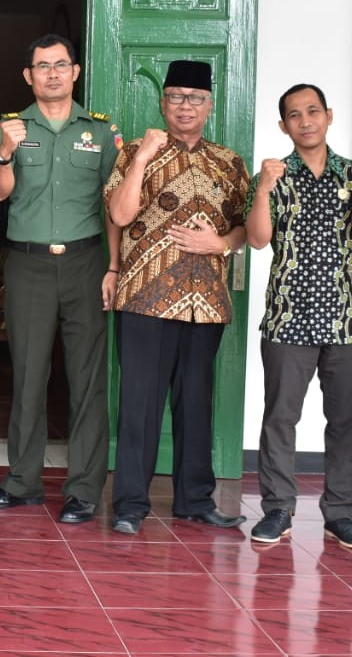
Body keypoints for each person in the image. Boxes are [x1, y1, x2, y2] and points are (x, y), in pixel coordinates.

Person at [104, 59, 250, 535]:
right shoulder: (134, 152)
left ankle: (194, 500)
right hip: (144, 298)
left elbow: (245, 227)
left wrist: (222, 244)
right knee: (139, 404)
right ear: (162, 102)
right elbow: (119, 215)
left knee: (196, 403)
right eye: (176, 97)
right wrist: (142, 159)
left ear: (210, 105)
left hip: (204, 301)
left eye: (195, 98)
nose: (186, 106)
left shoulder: (229, 162)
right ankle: (130, 503)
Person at [0, 33, 121, 524]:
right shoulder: (10, 128)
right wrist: (4, 152)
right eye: (43, 66)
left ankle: (83, 489)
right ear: (29, 76)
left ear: (75, 72)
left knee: (87, 378)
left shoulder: (101, 132)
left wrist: (114, 265)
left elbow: (114, 205)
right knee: (27, 374)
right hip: (28, 264)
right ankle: (22, 481)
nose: (53, 73)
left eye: (61, 64)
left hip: (86, 262)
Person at [245, 83, 352, 549]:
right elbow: (258, 239)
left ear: (328, 115)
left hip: (350, 321)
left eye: (312, 111)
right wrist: (263, 189)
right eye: (294, 114)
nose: (305, 121)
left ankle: (341, 514)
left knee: (346, 421)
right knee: (279, 418)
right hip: (288, 317)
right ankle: (277, 509)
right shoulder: (272, 175)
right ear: (282, 125)